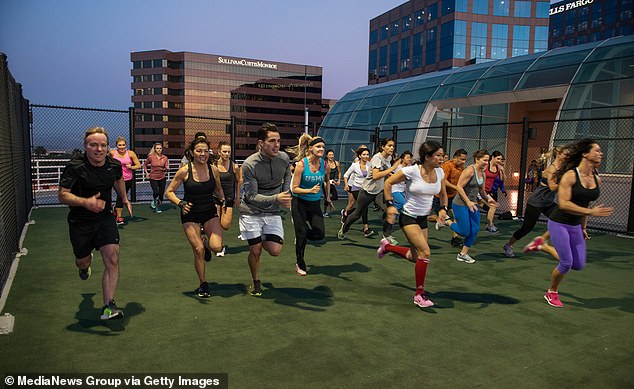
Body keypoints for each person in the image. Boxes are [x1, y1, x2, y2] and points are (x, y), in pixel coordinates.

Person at [58, 127, 132, 320]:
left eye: (103, 145)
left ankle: (108, 306)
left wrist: (124, 198)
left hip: (105, 218)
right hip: (79, 221)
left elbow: (119, 179)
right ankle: (84, 267)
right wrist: (86, 202)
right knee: (82, 261)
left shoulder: (113, 165)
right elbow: (62, 195)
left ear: (108, 148)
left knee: (113, 258)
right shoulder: (75, 167)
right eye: (93, 145)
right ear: (85, 147)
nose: (98, 149)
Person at [377, 141, 449, 308]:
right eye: (438, 155)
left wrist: (443, 209)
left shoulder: (440, 172)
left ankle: (387, 247)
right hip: (408, 217)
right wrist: (390, 205)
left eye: (442, 155)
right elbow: (388, 183)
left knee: (416, 257)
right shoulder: (411, 171)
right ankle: (419, 295)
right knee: (426, 252)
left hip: (423, 219)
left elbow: (443, 194)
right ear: (427, 157)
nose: (441, 158)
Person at [543, 139, 613, 308]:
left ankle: (542, 246)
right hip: (559, 222)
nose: (600, 153)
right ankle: (551, 292)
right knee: (566, 263)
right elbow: (563, 204)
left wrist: (583, 226)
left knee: (578, 264)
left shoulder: (597, 179)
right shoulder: (570, 176)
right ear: (585, 154)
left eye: (600, 151)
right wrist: (590, 213)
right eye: (596, 150)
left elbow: (586, 203)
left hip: (575, 225)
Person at [165, 137, 225, 298]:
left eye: (205, 151)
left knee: (217, 248)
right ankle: (203, 284)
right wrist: (180, 203)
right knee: (198, 250)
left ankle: (206, 242)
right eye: (199, 150)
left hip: (209, 211)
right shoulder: (185, 170)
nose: (202, 154)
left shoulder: (214, 170)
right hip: (190, 213)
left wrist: (223, 200)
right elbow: (169, 192)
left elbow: (219, 190)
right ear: (192, 152)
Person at [239, 123, 292, 296]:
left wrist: (285, 193)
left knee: (275, 251)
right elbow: (251, 196)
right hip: (251, 211)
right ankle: (255, 281)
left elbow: (287, 174)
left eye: (278, 141)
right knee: (255, 250)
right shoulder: (249, 165)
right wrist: (276, 198)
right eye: (272, 141)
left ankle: (259, 237)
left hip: (272, 212)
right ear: (261, 143)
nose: (276, 145)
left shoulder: (283, 158)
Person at [503, 146, 567, 258]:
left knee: (562, 220)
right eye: (566, 154)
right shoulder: (552, 169)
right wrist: (567, 185)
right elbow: (552, 187)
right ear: (559, 155)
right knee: (526, 228)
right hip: (536, 202)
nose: (568, 156)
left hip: (548, 203)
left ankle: (548, 244)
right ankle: (508, 245)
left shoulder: (562, 169)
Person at [442, 149, 498, 264]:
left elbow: (481, 191)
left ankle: (462, 254)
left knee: (474, 231)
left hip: (473, 205)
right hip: (460, 204)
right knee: (465, 232)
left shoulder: (483, 173)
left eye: (488, 161)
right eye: (484, 160)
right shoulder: (469, 171)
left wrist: (489, 199)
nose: (486, 163)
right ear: (477, 159)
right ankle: (446, 221)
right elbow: (459, 187)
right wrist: (468, 202)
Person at [338, 138, 401, 240]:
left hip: (378, 191)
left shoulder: (388, 158)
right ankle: (344, 229)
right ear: (383, 147)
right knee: (357, 214)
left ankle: (387, 236)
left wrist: (392, 174)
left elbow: (385, 172)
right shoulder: (377, 158)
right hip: (366, 191)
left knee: (389, 210)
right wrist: (392, 169)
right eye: (389, 145)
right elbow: (376, 176)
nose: (392, 148)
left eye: (393, 146)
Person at [288, 134, 330, 276]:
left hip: (314, 204)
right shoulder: (301, 165)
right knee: (301, 234)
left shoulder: (324, 164)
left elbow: (327, 181)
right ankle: (300, 262)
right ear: (311, 148)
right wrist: (309, 190)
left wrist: (328, 197)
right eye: (318, 146)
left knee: (320, 234)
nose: (321, 149)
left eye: (323, 147)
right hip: (299, 202)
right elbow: (294, 188)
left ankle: (303, 233)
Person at [433, 149, 467, 247]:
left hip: (453, 197)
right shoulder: (447, 166)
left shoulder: (461, 168)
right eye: (462, 159)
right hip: (441, 197)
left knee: (457, 216)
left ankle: (455, 239)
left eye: (465, 160)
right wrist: (456, 187)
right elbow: (444, 181)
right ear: (455, 157)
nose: (463, 162)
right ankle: (434, 219)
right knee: (442, 219)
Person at [214, 141, 242, 257]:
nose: (227, 154)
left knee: (225, 225)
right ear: (219, 152)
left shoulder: (234, 166)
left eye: (228, 152)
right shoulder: (213, 166)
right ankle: (220, 246)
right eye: (224, 151)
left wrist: (237, 197)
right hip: (216, 198)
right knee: (216, 224)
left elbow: (238, 181)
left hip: (230, 198)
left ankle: (213, 242)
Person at [383, 150, 413, 245]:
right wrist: (392, 175)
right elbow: (389, 172)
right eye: (407, 157)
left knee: (397, 211)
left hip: (400, 190)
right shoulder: (398, 166)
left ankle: (387, 218)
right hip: (394, 189)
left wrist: (405, 192)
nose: (409, 159)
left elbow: (405, 182)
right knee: (402, 205)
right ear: (403, 158)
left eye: (410, 158)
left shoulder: (408, 168)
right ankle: (387, 230)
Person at [109, 136, 141, 225]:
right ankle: (119, 217)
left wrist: (131, 167)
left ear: (126, 145)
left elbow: (138, 165)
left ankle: (115, 209)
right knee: (121, 196)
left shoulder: (131, 154)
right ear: (116, 146)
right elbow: (106, 161)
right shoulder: (112, 153)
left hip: (128, 179)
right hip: (116, 179)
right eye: (119, 145)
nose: (122, 147)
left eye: (123, 145)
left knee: (122, 196)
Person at [341, 147, 371, 233]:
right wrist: (346, 185)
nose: (366, 156)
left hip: (366, 189)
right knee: (364, 206)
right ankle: (366, 228)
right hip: (356, 188)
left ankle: (347, 214)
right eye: (364, 154)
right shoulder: (355, 165)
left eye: (367, 154)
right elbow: (346, 175)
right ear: (360, 156)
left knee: (361, 207)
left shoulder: (370, 165)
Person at [143, 142, 169, 213]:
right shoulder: (151, 157)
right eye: (157, 148)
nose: (159, 150)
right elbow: (145, 165)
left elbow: (166, 166)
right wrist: (146, 173)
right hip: (153, 177)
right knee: (156, 192)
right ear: (154, 149)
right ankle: (154, 200)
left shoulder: (165, 157)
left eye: (160, 148)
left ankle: (158, 207)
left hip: (162, 177)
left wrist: (167, 169)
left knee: (161, 194)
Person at [483, 151, 505, 233]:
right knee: (492, 206)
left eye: (500, 159)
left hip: (490, 191)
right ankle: (490, 225)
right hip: (481, 190)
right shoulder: (486, 166)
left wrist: (502, 171)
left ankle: (489, 224)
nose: (499, 160)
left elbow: (502, 180)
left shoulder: (498, 168)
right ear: (492, 157)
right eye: (498, 159)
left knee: (492, 207)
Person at [323, 149, 341, 217]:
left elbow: (339, 172)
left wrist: (339, 180)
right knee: (326, 197)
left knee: (335, 196)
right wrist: (328, 182)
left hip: (332, 182)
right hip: (324, 182)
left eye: (332, 155)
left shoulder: (336, 163)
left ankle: (328, 200)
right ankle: (324, 212)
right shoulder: (324, 163)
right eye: (330, 155)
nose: (331, 156)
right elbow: (323, 174)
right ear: (327, 156)